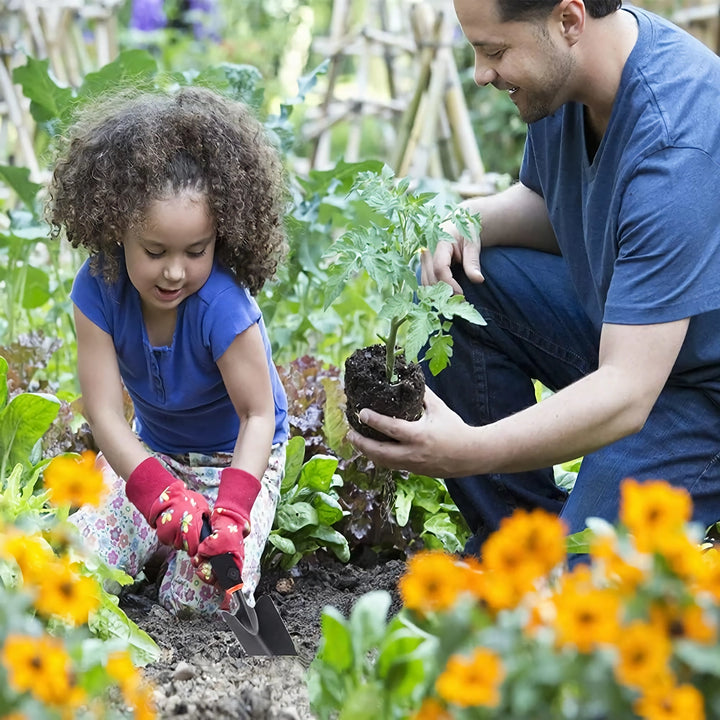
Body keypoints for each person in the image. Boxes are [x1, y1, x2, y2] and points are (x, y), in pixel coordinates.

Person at [347, 0, 720, 556]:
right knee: (457, 277)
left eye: (495, 51)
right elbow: (560, 204)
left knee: (576, 591)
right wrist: (466, 220)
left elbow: (628, 391)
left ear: (569, 21)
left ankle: (556, 557)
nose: (481, 73)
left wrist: (471, 449)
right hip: (630, 334)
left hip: (697, 390)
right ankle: (519, 538)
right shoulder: (571, 82)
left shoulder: (675, 142)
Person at [47, 86, 289, 615]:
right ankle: (158, 538)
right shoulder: (98, 293)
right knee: (73, 567)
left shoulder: (222, 306)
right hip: (152, 454)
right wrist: (158, 492)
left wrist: (231, 512)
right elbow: (107, 416)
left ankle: (184, 550)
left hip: (236, 461)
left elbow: (257, 415)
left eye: (196, 251)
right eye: (155, 251)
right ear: (118, 231)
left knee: (196, 605)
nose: (175, 271)